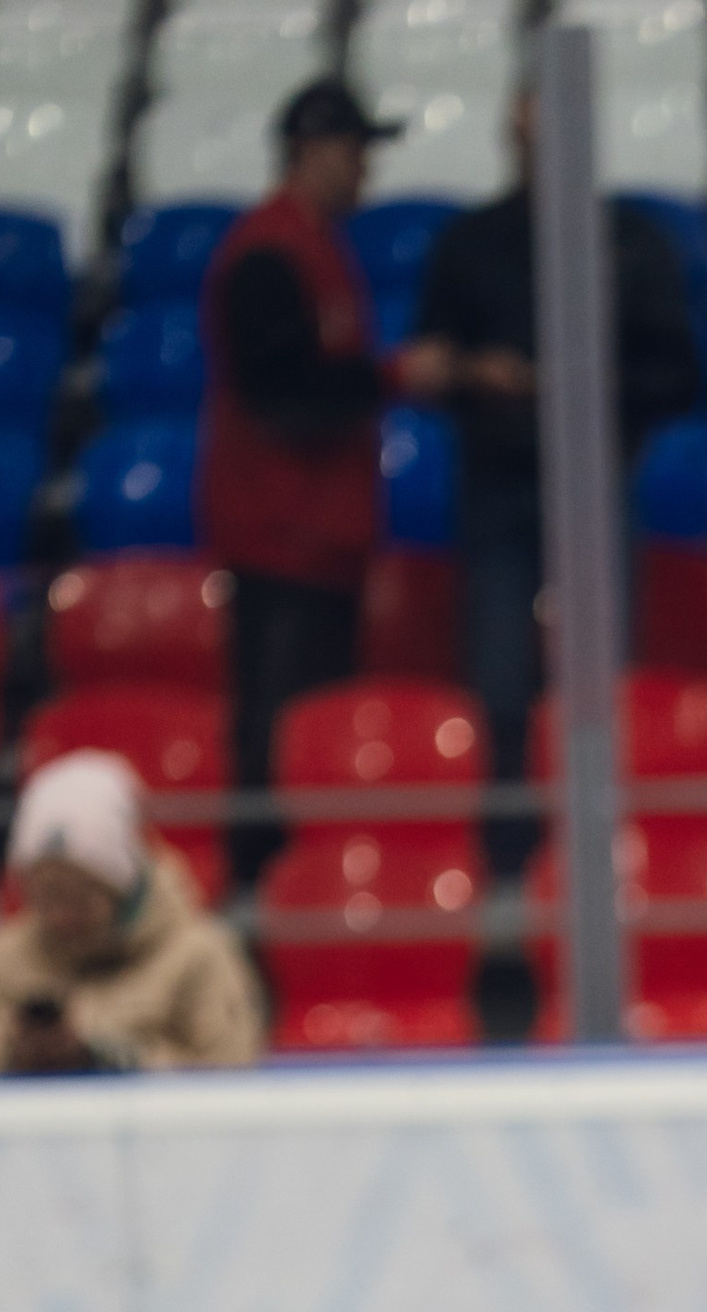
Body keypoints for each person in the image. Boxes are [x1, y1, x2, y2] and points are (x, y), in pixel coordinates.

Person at [411, 94, 702, 811]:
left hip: (596, 485)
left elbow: (677, 376)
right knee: (500, 682)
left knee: (601, 684)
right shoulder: (471, 243)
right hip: (498, 482)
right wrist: (475, 373)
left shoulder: (630, 240)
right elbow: (428, 363)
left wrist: (581, 384)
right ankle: (509, 841)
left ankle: (605, 826)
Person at [198, 80, 409, 857]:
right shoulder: (269, 253)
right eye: (355, 152)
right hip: (282, 536)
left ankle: (297, 877)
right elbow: (285, 398)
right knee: (280, 732)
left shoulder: (308, 247)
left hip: (315, 538)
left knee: (304, 732)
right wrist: (392, 377)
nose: (365, 171)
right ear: (311, 152)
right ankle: (265, 883)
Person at [0, 752, 262, 1074]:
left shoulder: (200, 955)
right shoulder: (6, 956)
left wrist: (111, 1059)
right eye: (45, 898)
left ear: (120, 887)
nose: (60, 915)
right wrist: (16, 1055)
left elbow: (230, 1075)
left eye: (80, 898)